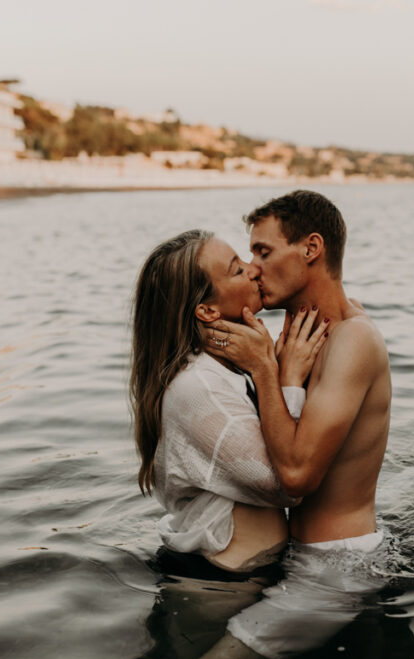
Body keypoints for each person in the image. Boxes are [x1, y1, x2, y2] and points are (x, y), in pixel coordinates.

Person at [187, 190, 393, 659]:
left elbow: (297, 476)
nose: (253, 268)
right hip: (296, 558)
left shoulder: (353, 339)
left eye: (263, 251)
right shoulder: (303, 335)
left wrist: (264, 369)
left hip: (337, 569)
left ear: (311, 248)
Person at [130, 228, 329, 576]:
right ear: (206, 310)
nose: (253, 269)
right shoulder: (198, 386)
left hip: (249, 572)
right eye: (237, 269)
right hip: (218, 582)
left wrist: (269, 367)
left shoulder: (222, 371)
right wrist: (280, 377)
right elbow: (286, 486)